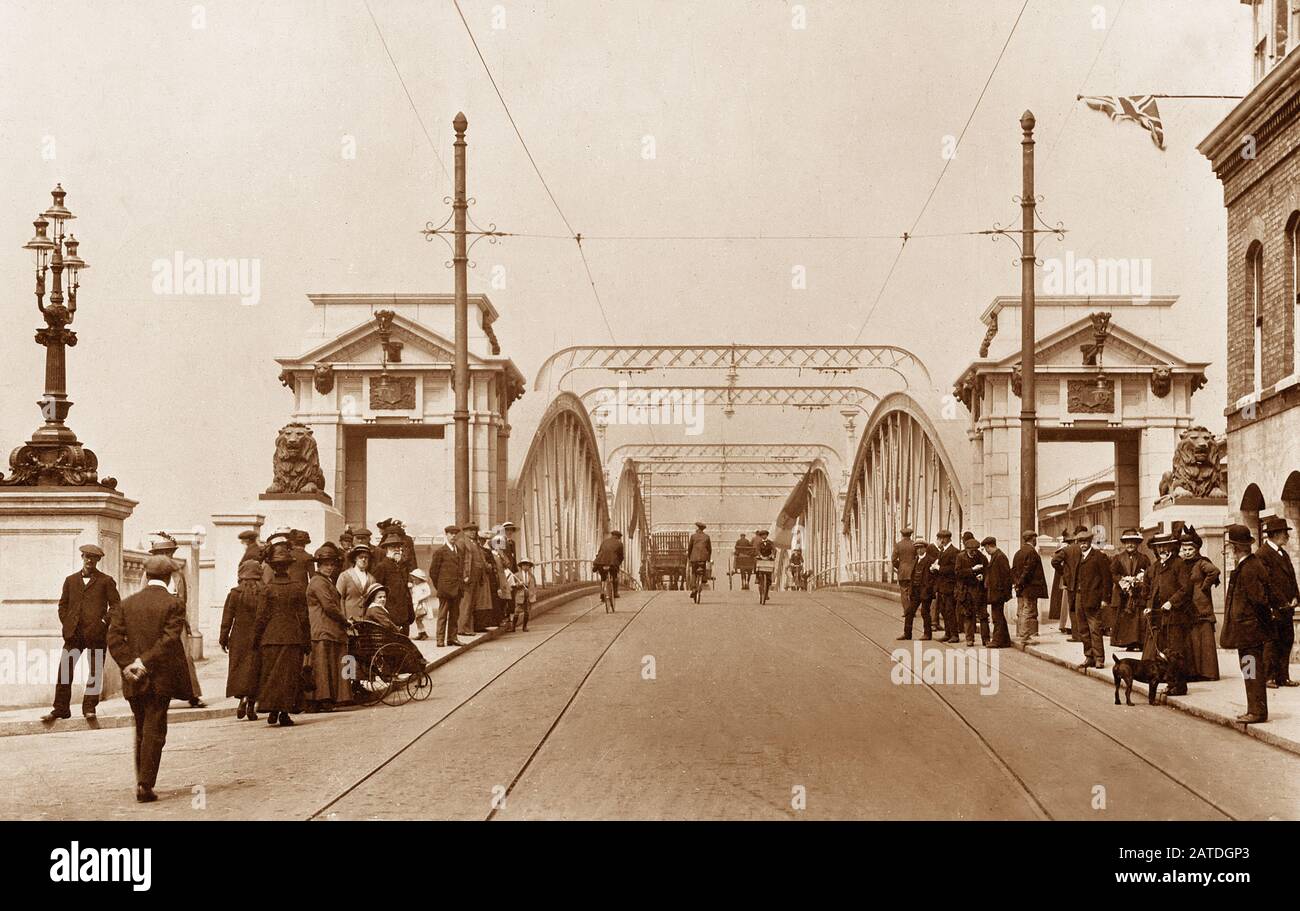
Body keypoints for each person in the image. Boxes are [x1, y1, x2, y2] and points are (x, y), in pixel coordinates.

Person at [107, 554, 192, 802]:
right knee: (155, 729)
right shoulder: (174, 604)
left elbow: (114, 639)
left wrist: (129, 664)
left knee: (141, 728)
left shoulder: (127, 603)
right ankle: (145, 784)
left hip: (133, 677)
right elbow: (169, 640)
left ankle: (142, 780)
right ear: (169, 576)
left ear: (146, 575)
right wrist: (143, 662)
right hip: (159, 677)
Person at [42, 544, 121, 725]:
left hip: (96, 635)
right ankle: (61, 708)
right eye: (86, 557)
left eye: (93, 558)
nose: (89, 561)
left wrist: (103, 623)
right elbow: (63, 605)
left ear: (98, 560)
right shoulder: (70, 581)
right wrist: (67, 622)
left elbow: (116, 606)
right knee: (65, 670)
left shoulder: (106, 581)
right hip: (73, 635)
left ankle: (89, 708)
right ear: (82, 557)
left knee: (95, 672)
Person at [253, 533, 310, 727]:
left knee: (271, 675)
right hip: (293, 637)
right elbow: (304, 618)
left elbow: (261, 617)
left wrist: (256, 639)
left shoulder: (267, 589)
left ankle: (272, 709)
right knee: (289, 676)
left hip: (270, 638)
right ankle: (284, 712)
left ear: (272, 566)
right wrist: (307, 642)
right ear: (289, 566)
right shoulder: (297, 587)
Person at [1221, 523, 1274, 723]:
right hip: (1248, 632)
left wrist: (1251, 621)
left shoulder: (1249, 568)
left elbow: (1259, 599)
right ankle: (1254, 709)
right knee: (1250, 670)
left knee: (1252, 671)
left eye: (1229, 547)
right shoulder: (1249, 565)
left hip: (1250, 633)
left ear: (1235, 548)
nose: (1228, 551)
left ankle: (1257, 712)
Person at [149, 534, 206, 709]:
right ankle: (156, 695)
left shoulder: (178, 574)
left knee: (185, 657)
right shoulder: (149, 574)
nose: (167, 556)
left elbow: (183, 599)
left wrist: (184, 621)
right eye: (163, 553)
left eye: (169, 553)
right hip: (156, 620)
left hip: (176, 619)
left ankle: (193, 695)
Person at [1144, 530, 1191, 695]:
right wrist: (1149, 606)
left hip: (1176, 616)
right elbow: (1152, 589)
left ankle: (1179, 686)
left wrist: (1172, 602)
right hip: (1160, 616)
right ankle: (1170, 683)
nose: (1162, 549)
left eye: (1165, 546)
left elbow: (1186, 588)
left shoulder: (1179, 564)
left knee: (1176, 652)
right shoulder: (1157, 566)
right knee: (1165, 652)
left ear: (1172, 547)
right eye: (1159, 547)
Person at [305, 543, 350, 712]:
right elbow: (329, 606)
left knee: (327, 665)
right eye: (326, 564)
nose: (330, 567)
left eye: (332, 564)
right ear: (319, 565)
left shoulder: (324, 581)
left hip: (327, 629)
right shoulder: (318, 582)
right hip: (322, 629)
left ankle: (327, 698)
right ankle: (322, 699)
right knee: (322, 666)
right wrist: (345, 621)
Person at [219, 559, 264, 721]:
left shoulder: (234, 594)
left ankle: (242, 699)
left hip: (239, 638)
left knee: (240, 670)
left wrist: (223, 638)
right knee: (256, 670)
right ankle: (251, 703)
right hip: (259, 637)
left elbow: (227, 618)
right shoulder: (264, 593)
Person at [1258, 515, 1299, 688]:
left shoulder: (1284, 554)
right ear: (1275, 534)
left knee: (1286, 640)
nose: (1287, 536)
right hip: (1273, 608)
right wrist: (1282, 601)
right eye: (1284, 533)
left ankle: (1283, 676)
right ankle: (1269, 677)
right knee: (1272, 643)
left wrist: (1296, 596)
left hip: (1287, 608)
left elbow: (1291, 577)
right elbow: (1267, 583)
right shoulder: (1262, 554)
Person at [1180, 526, 1221, 682]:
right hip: (1187, 606)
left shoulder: (1201, 563)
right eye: (1185, 549)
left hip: (1201, 606)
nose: (1187, 552)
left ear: (1196, 549)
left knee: (1204, 640)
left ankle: (1208, 673)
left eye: (1190, 549)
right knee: (1192, 641)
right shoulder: (1183, 564)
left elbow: (1215, 571)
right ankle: (1194, 672)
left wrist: (1204, 587)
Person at [1071, 528, 1113, 670]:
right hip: (1079, 597)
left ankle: (1099, 658)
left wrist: (1105, 599)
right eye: (1080, 542)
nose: (1082, 545)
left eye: (1085, 542)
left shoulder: (1099, 557)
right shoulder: (1078, 556)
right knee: (1082, 629)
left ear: (1090, 542)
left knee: (1094, 629)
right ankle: (1089, 657)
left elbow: (1107, 579)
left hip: (1093, 598)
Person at [1109, 528, 1150, 651]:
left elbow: (1148, 572)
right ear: (1124, 544)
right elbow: (1113, 573)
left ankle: (1139, 642)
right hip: (1123, 593)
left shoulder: (1144, 558)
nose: (1130, 545)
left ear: (1137, 544)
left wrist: (1139, 580)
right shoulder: (1118, 558)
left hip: (1138, 592)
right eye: (1127, 542)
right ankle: (1128, 642)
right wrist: (1122, 582)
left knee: (1138, 619)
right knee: (1125, 617)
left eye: (1133, 542)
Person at [428, 524, 466, 647]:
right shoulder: (440, 552)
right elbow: (433, 572)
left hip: (457, 588)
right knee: (443, 615)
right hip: (445, 589)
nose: (453, 536)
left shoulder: (459, 551)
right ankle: (440, 640)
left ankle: (452, 638)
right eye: (451, 534)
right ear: (447, 535)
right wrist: (440, 586)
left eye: (455, 534)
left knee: (455, 615)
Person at [371, 530, 415, 636]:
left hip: (404, 614)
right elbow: (377, 591)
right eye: (392, 547)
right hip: (390, 615)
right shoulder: (382, 567)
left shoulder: (402, 566)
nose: (396, 549)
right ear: (386, 549)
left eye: (398, 547)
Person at [1011, 530, 1046, 645]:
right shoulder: (1031, 552)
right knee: (1028, 611)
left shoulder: (1018, 552)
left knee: (1021, 611)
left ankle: (1022, 634)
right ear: (1033, 539)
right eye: (1035, 538)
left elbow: (1014, 570)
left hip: (1020, 588)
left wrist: (1017, 584)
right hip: (1029, 588)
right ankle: (1025, 637)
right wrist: (1021, 583)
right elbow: (1028, 571)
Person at [955, 535, 989, 646]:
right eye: (972, 551)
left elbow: (987, 571)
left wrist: (982, 577)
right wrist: (972, 570)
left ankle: (986, 639)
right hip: (966, 590)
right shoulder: (960, 557)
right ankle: (969, 639)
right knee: (968, 615)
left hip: (979, 590)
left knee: (983, 616)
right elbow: (958, 573)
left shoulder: (981, 557)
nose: (974, 553)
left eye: (976, 551)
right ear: (967, 549)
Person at [898, 538, 933, 641]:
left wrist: (928, 589)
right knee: (909, 612)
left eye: (921, 548)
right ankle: (907, 633)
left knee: (925, 612)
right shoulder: (915, 560)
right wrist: (910, 589)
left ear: (925, 548)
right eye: (917, 548)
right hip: (915, 591)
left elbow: (932, 578)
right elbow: (913, 576)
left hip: (925, 591)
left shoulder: (930, 560)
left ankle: (927, 634)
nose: (918, 550)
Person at [456, 524, 486, 637]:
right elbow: (460, 560)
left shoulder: (475, 543)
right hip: (467, 577)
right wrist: (464, 576)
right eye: (470, 530)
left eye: (474, 530)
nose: (473, 532)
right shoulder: (462, 542)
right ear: (465, 531)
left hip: (476, 577)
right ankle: (462, 628)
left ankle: (468, 627)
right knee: (466, 603)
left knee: (472, 603)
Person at [983, 536, 1013, 648]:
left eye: (986, 548)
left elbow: (1006, 576)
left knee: (997, 617)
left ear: (988, 546)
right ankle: (1005, 641)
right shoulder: (996, 556)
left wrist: (1005, 593)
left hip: (998, 593)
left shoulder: (1000, 557)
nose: (986, 551)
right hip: (996, 592)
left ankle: (997, 640)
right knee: (999, 616)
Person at [932, 530, 959, 643]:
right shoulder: (942, 551)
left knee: (950, 610)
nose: (940, 541)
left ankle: (954, 635)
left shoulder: (954, 551)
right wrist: (934, 568)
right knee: (944, 610)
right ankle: (948, 633)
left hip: (949, 586)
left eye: (940, 538)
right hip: (942, 586)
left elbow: (954, 569)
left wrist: (939, 568)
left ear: (945, 539)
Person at [336, 542, 375, 621]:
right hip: (349, 621)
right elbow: (339, 599)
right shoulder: (345, 576)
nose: (364, 559)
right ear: (355, 559)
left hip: (365, 622)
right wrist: (343, 619)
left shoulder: (371, 579)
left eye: (366, 557)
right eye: (361, 557)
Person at [892, 526, 917, 615]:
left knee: (904, 591)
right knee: (913, 591)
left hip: (902, 572)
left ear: (902, 535)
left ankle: (907, 611)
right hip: (913, 572)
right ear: (910, 535)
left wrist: (900, 567)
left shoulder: (898, 545)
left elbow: (893, 560)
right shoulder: (914, 544)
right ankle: (912, 610)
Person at [509, 559, 538, 631]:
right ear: (521, 566)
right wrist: (519, 584)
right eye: (524, 565)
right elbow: (512, 585)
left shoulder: (531, 576)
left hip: (528, 595)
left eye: (527, 565)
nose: (526, 567)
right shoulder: (516, 575)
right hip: (520, 595)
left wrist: (533, 594)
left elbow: (534, 585)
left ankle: (524, 626)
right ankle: (513, 627)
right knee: (517, 611)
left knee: (527, 611)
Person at [687, 521, 711, 599]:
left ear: (697, 529)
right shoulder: (707, 537)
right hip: (703, 558)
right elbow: (709, 549)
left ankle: (694, 588)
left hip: (694, 558)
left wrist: (689, 557)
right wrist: (708, 558)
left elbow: (690, 548)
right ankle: (703, 579)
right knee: (703, 570)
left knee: (694, 573)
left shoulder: (693, 536)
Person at [409, 568, 434, 640]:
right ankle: (421, 633)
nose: (414, 580)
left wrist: (420, 598)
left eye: (415, 578)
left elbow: (428, 593)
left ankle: (423, 633)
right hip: (417, 605)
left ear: (420, 579)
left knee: (419, 619)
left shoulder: (424, 585)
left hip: (422, 605)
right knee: (417, 620)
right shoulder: (415, 585)